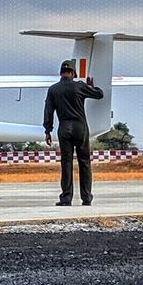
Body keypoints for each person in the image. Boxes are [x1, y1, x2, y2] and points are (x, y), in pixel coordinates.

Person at [43, 59, 103, 206]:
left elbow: (48, 111)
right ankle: (86, 197)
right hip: (80, 127)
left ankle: (66, 198)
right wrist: (91, 86)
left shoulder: (53, 89)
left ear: (61, 73)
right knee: (84, 163)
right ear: (73, 72)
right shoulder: (79, 86)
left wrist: (48, 130)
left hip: (64, 127)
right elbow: (99, 94)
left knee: (66, 163)